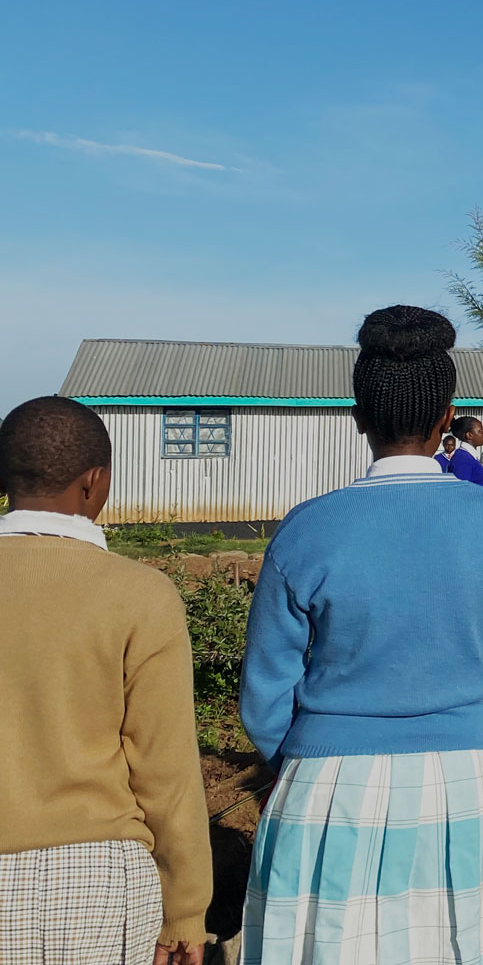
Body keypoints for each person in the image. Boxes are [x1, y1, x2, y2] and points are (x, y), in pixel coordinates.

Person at [239, 306, 483, 965]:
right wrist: (468, 732)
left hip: (327, 791)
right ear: (448, 420)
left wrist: (295, 756)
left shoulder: (308, 527)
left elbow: (266, 695)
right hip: (467, 782)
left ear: (357, 415)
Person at [0, 397, 211, 965]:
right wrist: (186, 908)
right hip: (93, 882)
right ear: (95, 483)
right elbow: (165, 767)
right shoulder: (139, 595)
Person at [440, 414, 483, 486]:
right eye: (480, 430)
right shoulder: (462, 459)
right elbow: (461, 490)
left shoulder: (468, 456)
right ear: (469, 435)